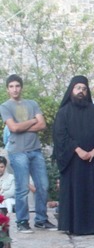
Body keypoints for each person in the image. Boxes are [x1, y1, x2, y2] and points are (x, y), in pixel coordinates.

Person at [0, 74, 56, 232]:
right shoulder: (5, 106)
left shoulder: (32, 104)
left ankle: (41, 219)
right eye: (11, 86)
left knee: (43, 185)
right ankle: (22, 221)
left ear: (21, 87)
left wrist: (22, 126)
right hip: (17, 151)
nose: (15, 89)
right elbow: (13, 128)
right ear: (7, 89)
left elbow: (42, 125)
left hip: (35, 150)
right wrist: (32, 121)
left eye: (17, 86)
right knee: (22, 188)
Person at [53, 76, 94, 235]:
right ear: (71, 90)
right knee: (76, 192)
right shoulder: (63, 113)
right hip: (73, 161)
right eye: (78, 88)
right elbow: (60, 136)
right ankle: (75, 226)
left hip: (93, 159)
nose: (81, 91)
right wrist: (77, 149)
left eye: (84, 89)